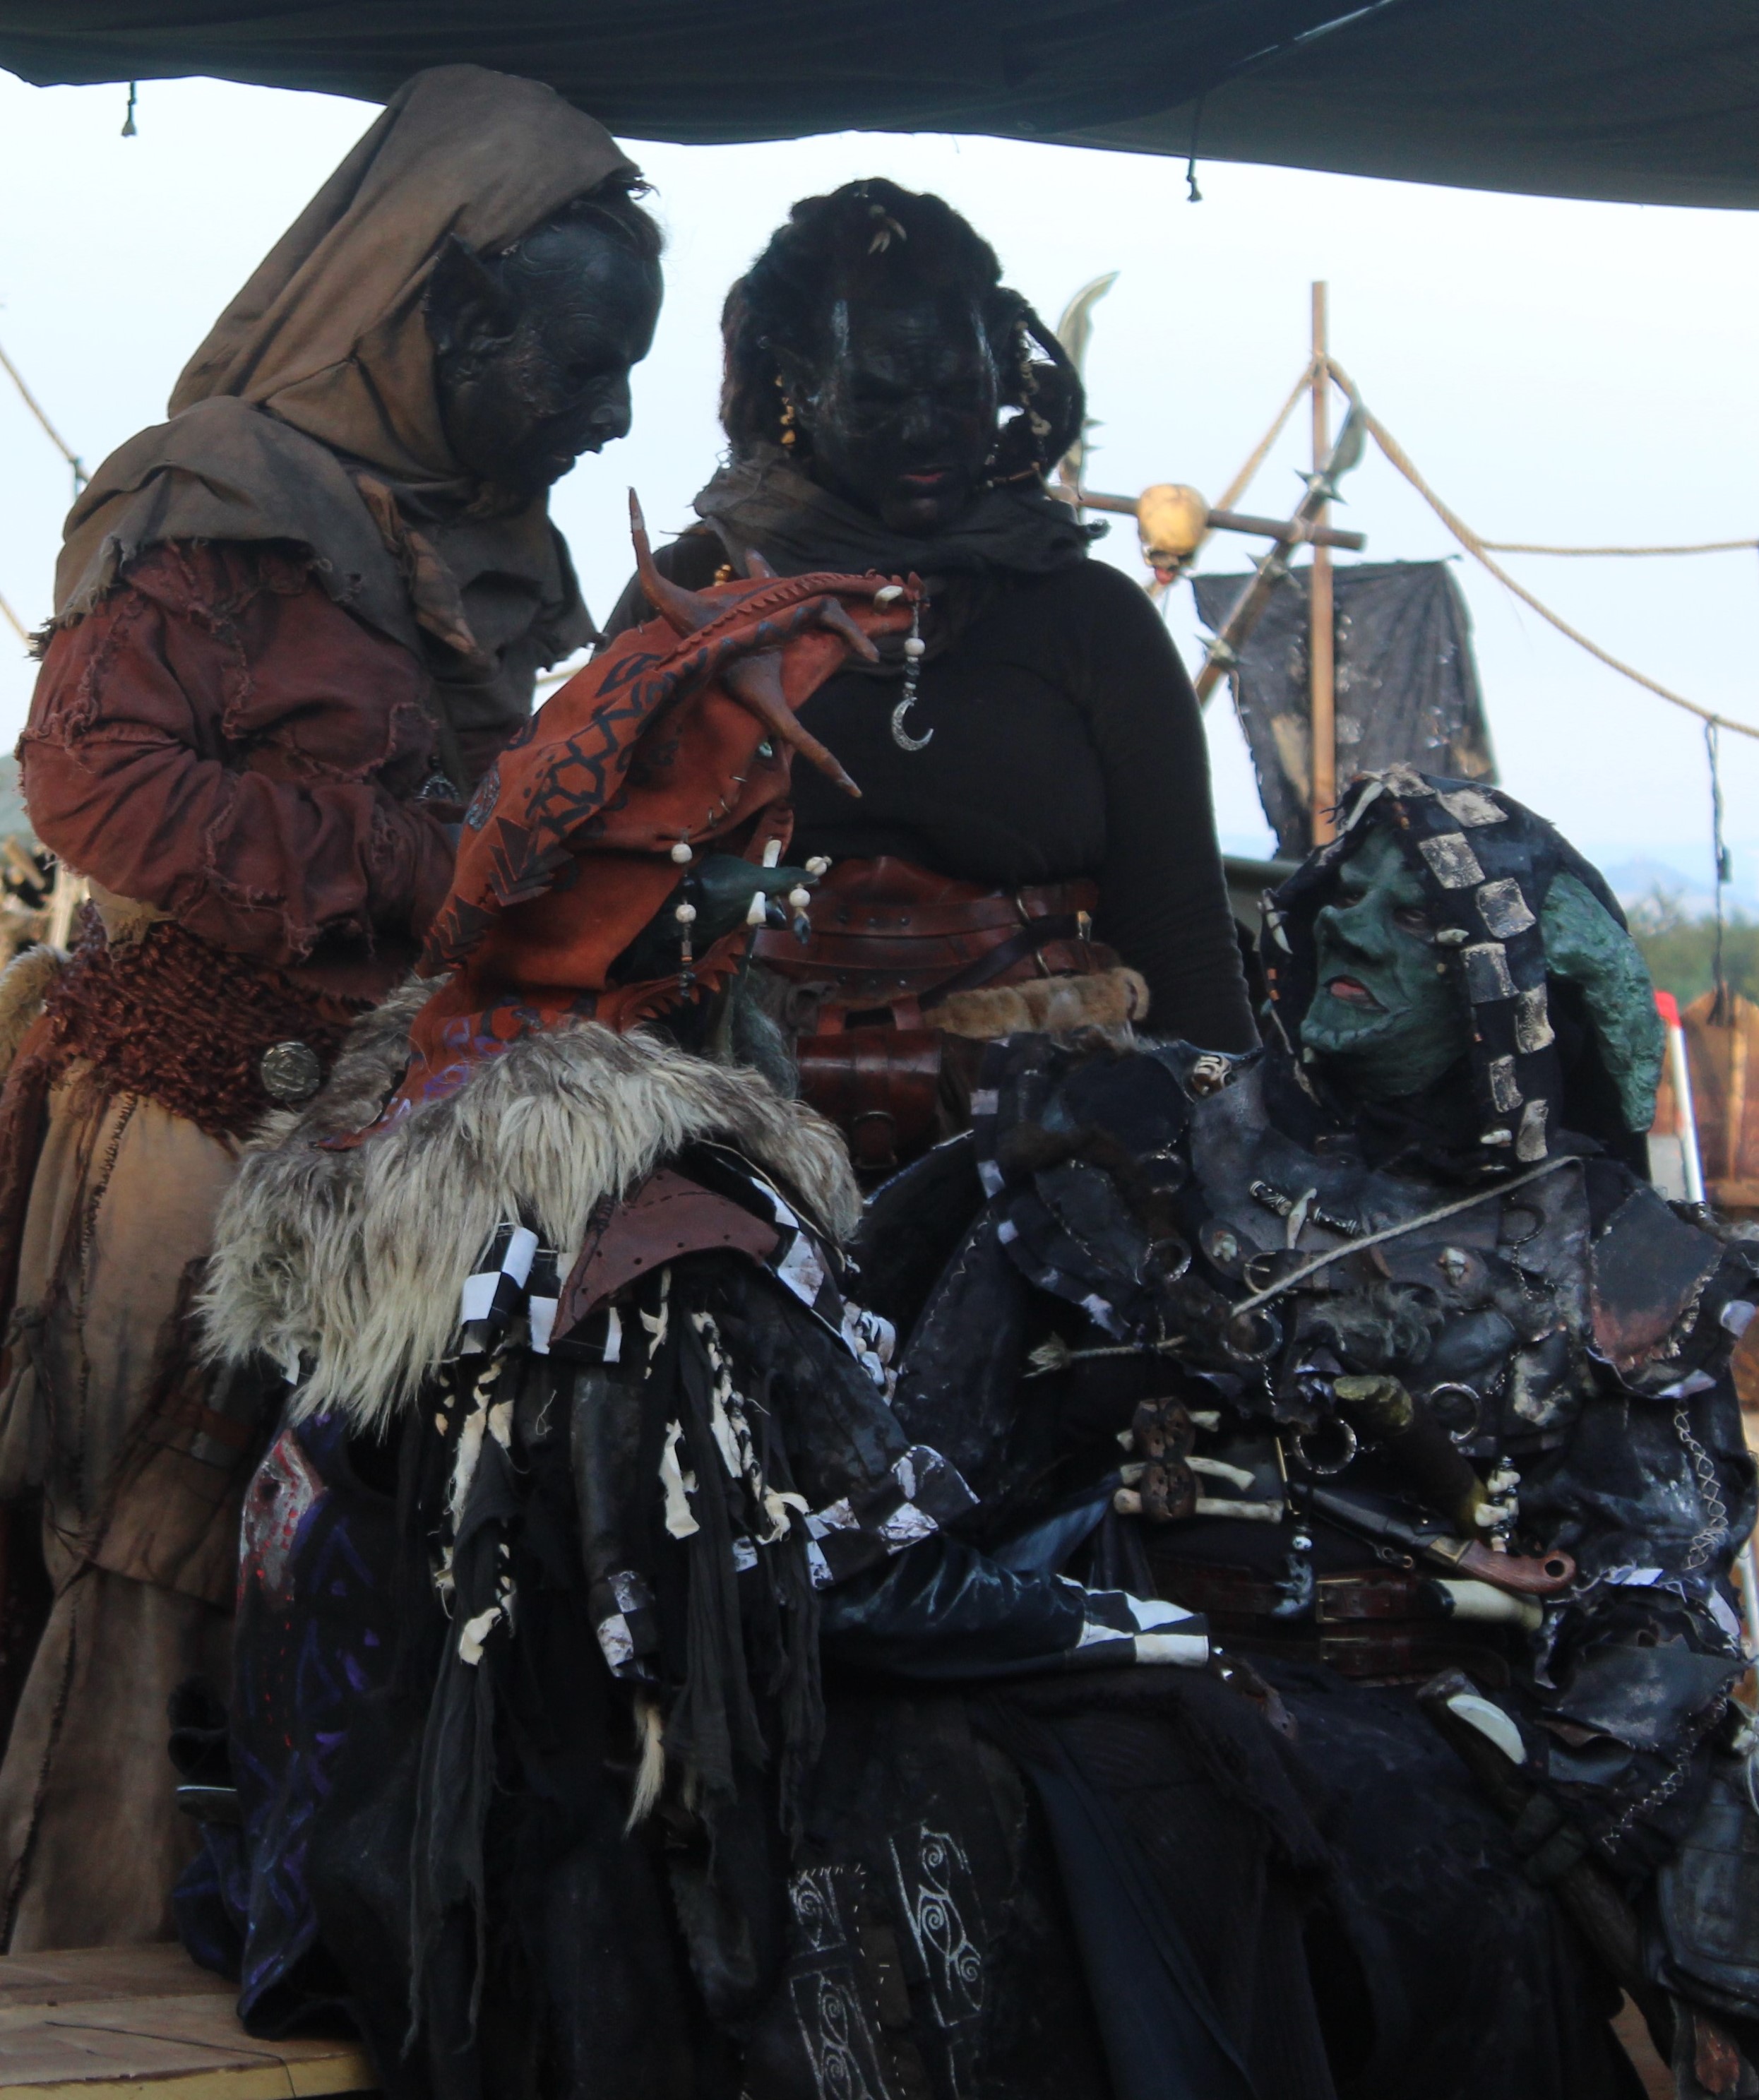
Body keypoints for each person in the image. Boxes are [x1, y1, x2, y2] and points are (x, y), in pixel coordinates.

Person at [182, 532, 1253, 2100]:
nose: (783, 898)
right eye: (755, 859)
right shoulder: (657, 1222)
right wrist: (1136, 1620)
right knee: (1161, 1771)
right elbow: (850, 1594)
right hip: (568, 1893)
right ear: (669, 915)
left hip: (339, 1839)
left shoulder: (386, 1123)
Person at [0, 64, 663, 1950]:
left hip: (416, 1139)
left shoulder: (487, 540)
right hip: (199, 1129)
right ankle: (90, 1970)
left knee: (400, 1564)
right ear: (449, 309)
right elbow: (94, 784)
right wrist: (413, 861)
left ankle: (339, 1968)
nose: (609, 415)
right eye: (578, 366)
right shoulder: (215, 504)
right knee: (147, 1566)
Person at [869, 763, 1759, 2095]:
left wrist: (1580, 1784)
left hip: (1436, 1744)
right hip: (1086, 1674)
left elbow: (1654, 1587)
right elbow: (926, 1469)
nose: (1349, 926)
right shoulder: (1122, 1137)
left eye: (1411, 917)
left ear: (1507, 980)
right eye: (1348, 894)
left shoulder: (1613, 1255)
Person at [604, 178, 1254, 1176]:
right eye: (879, 397)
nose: (924, 431)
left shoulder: (1092, 616)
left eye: (955, 392)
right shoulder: (695, 597)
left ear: (1001, 372)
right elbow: (583, 891)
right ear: (797, 384)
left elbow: (1183, 936)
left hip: (1048, 1145)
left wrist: (1225, 1164)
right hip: (726, 1131)